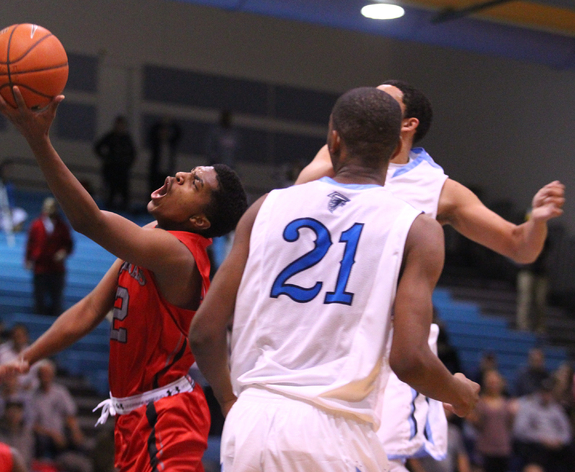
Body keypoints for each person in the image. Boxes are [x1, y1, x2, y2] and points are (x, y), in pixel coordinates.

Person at [189, 87, 480, 472]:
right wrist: (459, 391)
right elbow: (409, 360)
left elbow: (204, 333)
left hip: (251, 424)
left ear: (334, 140)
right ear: (397, 149)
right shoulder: (418, 228)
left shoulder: (266, 206)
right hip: (333, 429)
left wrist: (230, 402)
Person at [0, 85, 248, 472]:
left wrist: (38, 140)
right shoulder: (151, 239)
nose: (181, 175)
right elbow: (87, 310)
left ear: (200, 222)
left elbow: (88, 220)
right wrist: (24, 360)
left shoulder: (180, 253)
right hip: (136, 416)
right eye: (189, 172)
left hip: (167, 414)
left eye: (194, 184)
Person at [295, 79, 564, 471]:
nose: (369, 99)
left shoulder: (439, 188)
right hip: (323, 327)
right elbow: (298, 199)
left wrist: (536, 220)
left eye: (383, 98)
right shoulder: (337, 154)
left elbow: (518, 245)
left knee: (379, 462)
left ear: (408, 124)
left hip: (387, 343)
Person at [30, 359, 92, 472]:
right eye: (42, 374)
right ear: (38, 376)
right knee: (40, 440)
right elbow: (32, 424)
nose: (45, 377)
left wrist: (75, 431)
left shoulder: (61, 392)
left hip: (62, 433)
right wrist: (53, 434)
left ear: (53, 375)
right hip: (43, 435)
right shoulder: (33, 396)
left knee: (81, 442)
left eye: (47, 374)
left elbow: (70, 415)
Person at [25, 197, 74, 316]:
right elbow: (30, 244)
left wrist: (64, 252)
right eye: (46, 207)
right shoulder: (36, 225)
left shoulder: (62, 226)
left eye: (51, 207)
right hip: (40, 266)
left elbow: (68, 244)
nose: (48, 210)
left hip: (56, 268)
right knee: (39, 298)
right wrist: (27, 259)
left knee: (56, 299)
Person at [513, 377, 573, 472]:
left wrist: (559, 441)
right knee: (535, 452)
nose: (546, 395)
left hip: (556, 446)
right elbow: (520, 430)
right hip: (535, 445)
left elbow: (566, 431)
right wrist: (541, 439)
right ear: (539, 391)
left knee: (570, 450)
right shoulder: (529, 406)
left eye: (548, 392)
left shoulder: (557, 409)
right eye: (544, 391)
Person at [468, 369, 516, 472]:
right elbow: (477, 426)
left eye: (495, 383)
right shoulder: (479, 402)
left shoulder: (508, 404)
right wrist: (472, 418)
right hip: (485, 448)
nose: (493, 385)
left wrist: (513, 415)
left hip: (503, 449)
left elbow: (510, 427)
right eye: (491, 383)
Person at [94, 115, 136, 212]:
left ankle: (124, 211)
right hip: (111, 169)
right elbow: (97, 147)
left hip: (123, 170)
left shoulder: (126, 138)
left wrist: (127, 163)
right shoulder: (110, 136)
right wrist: (106, 158)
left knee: (124, 192)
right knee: (110, 192)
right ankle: (109, 210)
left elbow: (133, 153)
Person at [0, 324, 39, 391]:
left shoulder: (33, 353)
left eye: (21, 336)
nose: (18, 339)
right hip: (4, 389)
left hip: (27, 391)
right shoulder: (0, 351)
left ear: (26, 337)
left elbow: (36, 376)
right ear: (11, 337)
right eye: (16, 336)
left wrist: (28, 386)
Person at [147, 116, 182, 197]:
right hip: (156, 172)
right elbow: (151, 132)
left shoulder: (171, 144)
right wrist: (161, 123)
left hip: (167, 172)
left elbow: (178, 133)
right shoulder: (156, 144)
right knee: (153, 191)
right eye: (162, 132)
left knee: (165, 193)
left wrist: (171, 124)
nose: (164, 133)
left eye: (166, 132)